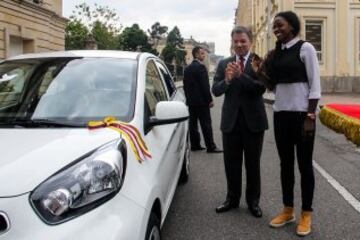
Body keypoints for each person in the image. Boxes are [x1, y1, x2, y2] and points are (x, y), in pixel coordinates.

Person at [253, 11, 321, 236]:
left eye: (280, 25)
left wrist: (311, 116)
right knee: (285, 165)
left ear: (292, 25)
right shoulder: (276, 54)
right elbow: (273, 86)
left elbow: (315, 86)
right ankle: (288, 209)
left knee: (304, 166)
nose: (276, 29)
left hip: (302, 116)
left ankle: (306, 214)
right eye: (274, 26)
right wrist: (259, 73)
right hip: (280, 114)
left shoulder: (305, 48)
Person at [212, 26, 268, 217]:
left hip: (254, 123)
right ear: (232, 42)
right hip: (231, 122)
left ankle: (253, 202)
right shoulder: (224, 63)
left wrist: (240, 76)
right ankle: (232, 199)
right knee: (231, 164)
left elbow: (261, 88)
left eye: (243, 41)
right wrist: (227, 81)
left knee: (253, 165)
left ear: (250, 41)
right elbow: (216, 90)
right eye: (236, 41)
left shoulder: (258, 62)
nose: (239, 45)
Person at [183, 46, 222, 153]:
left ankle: (195, 145)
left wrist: (188, 99)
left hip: (191, 102)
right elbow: (205, 86)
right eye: (202, 53)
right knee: (206, 125)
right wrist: (210, 100)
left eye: (204, 53)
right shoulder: (201, 67)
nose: (204, 56)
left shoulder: (187, 69)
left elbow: (185, 86)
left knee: (193, 124)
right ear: (196, 55)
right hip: (202, 103)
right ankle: (211, 147)